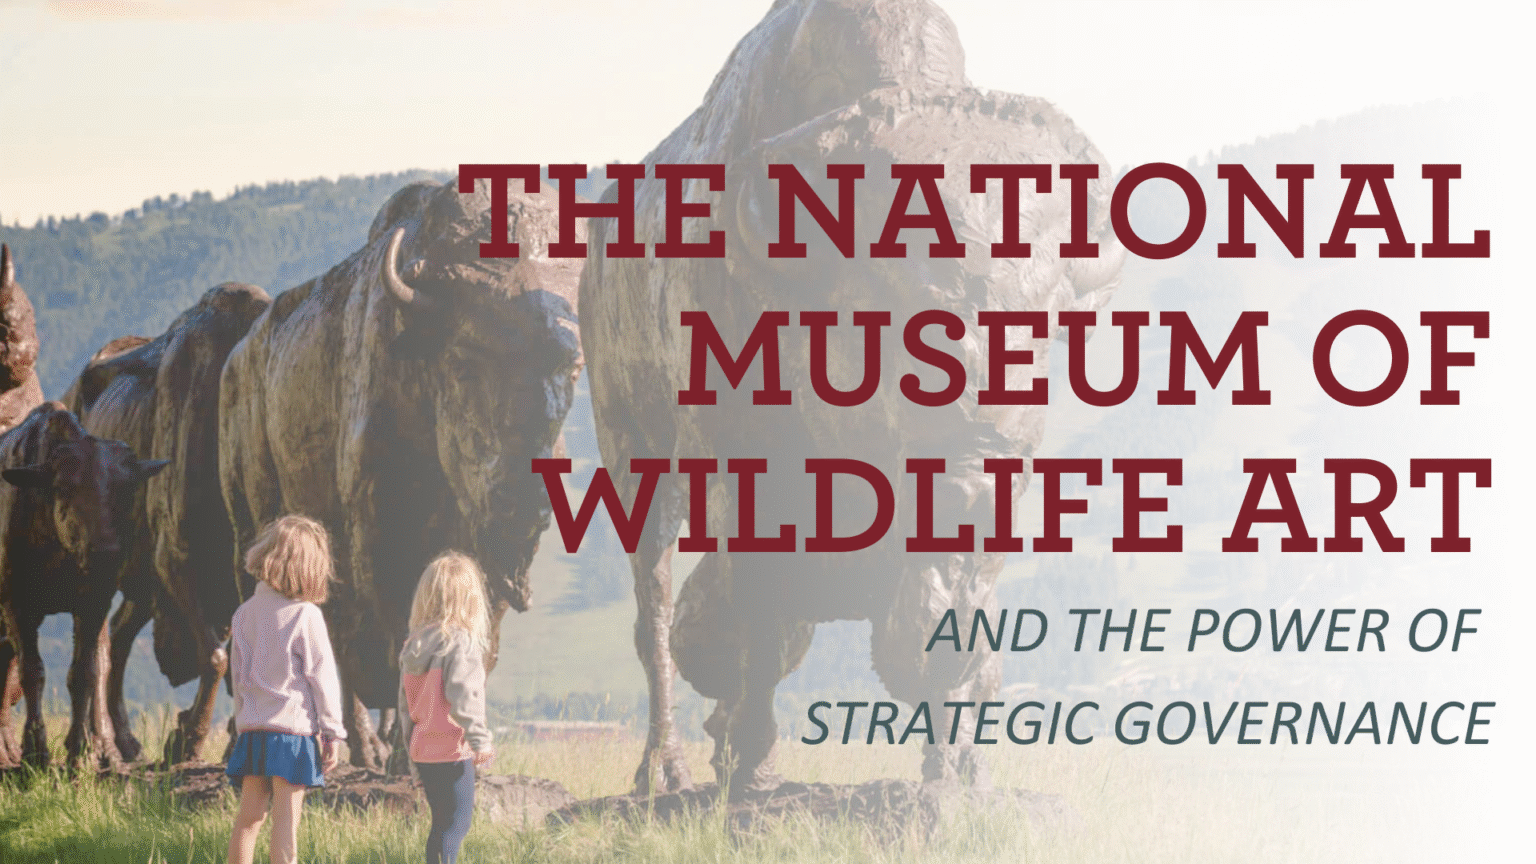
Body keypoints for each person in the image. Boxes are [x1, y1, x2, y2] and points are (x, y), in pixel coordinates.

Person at [224, 515, 346, 864]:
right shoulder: (305, 615)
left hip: (254, 733)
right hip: (292, 735)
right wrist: (332, 733)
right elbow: (322, 678)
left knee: (247, 821)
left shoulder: (244, 613)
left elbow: (238, 679)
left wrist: (242, 725)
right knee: (286, 825)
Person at [399, 551, 496, 864]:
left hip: (423, 751)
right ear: (470, 599)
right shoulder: (462, 642)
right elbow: (464, 695)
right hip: (453, 751)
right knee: (456, 826)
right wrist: (480, 739)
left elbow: (405, 709)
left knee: (440, 826)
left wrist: (413, 763)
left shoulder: (413, 645)